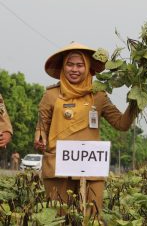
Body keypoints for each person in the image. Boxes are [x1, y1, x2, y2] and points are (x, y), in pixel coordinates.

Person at [34, 41, 138, 215]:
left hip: (91, 166)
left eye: (80, 65)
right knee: (58, 217)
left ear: (88, 67)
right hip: (57, 166)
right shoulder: (51, 94)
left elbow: (122, 124)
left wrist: (136, 100)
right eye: (70, 64)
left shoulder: (99, 95)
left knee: (92, 216)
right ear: (63, 67)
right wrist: (39, 139)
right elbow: (41, 128)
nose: (74, 69)